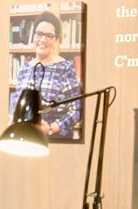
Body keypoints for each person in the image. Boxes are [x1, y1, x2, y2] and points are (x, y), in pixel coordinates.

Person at [10, 11, 83, 140]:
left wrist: (50, 128)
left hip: (54, 139)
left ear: (56, 41)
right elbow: (16, 106)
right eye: (39, 34)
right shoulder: (24, 69)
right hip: (27, 138)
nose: (43, 40)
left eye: (49, 36)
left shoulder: (65, 68)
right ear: (33, 36)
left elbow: (76, 110)